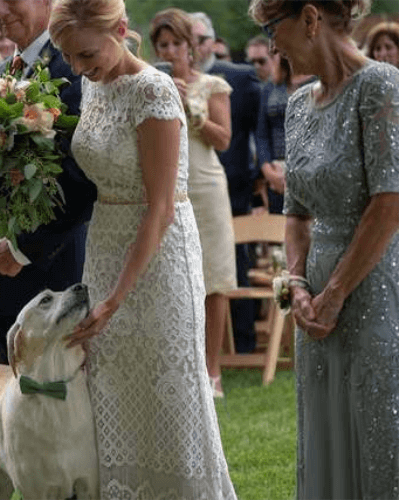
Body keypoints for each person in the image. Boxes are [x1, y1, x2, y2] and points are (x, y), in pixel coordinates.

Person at [50, 1, 237, 497]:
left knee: (167, 394)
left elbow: (160, 208)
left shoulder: (152, 90)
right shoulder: (92, 84)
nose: (78, 68)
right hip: (104, 243)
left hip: (157, 255)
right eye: (69, 57)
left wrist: (115, 297)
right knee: (110, 389)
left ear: (121, 30)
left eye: (86, 53)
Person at [249, 1, 399, 498]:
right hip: (313, 294)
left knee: (376, 424)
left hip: (375, 282)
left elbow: (388, 203)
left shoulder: (380, 86)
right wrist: (297, 285)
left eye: (274, 28)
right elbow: (294, 212)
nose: (271, 45)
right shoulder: (296, 105)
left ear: (310, 18)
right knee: (324, 422)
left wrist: (335, 293)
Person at [0, 0, 98, 364]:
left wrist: (23, 249)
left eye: (9, 0)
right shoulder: (0, 73)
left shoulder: (75, 66)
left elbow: (81, 177)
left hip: (56, 272)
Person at [151, 8, 237, 399]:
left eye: (176, 44)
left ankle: (212, 371)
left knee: (214, 280)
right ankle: (179, 368)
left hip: (207, 187)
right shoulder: (151, 84)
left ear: (191, 46)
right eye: (163, 45)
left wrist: (192, 109)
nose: (170, 51)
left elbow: (223, 140)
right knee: (173, 277)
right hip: (168, 188)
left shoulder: (212, 85)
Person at [191, 11, 262, 355]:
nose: (195, 46)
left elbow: (253, 130)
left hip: (231, 184)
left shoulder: (239, 77)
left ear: (213, 42)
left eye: (202, 39)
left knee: (233, 266)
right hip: (186, 187)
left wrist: (258, 171)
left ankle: (245, 343)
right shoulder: (161, 76)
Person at [254, 53, 315, 214]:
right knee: (279, 232)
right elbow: (261, 133)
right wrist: (267, 169)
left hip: (310, 174)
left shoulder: (319, 83)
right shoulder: (272, 86)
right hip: (276, 174)